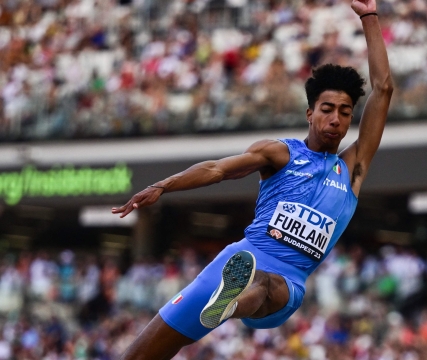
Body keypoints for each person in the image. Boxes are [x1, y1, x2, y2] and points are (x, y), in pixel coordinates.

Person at [111, 0, 392, 357]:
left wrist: (369, 18)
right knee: (139, 354)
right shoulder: (280, 154)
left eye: (345, 112)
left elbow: (383, 90)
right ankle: (224, 302)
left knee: (263, 282)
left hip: (287, 282)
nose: (336, 119)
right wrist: (163, 185)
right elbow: (217, 169)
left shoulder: (352, 168)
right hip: (240, 258)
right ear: (309, 113)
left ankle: (228, 306)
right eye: (327, 109)